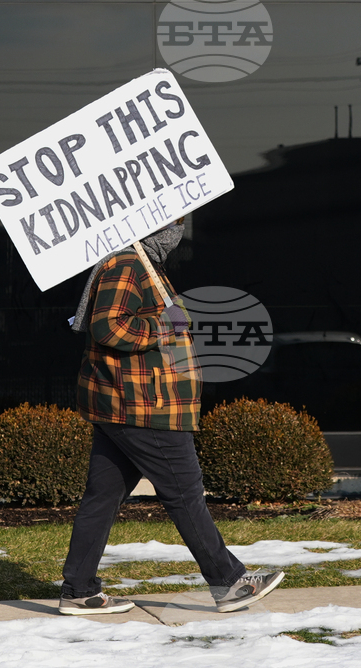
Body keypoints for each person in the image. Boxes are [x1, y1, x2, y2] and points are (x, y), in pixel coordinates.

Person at [59, 217, 284, 615]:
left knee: (103, 496)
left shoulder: (144, 261)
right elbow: (107, 327)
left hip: (132, 403)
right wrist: (165, 325)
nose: (179, 228)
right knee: (185, 495)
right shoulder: (127, 263)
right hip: (145, 407)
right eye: (174, 220)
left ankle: (78, 590)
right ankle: (229, 582)